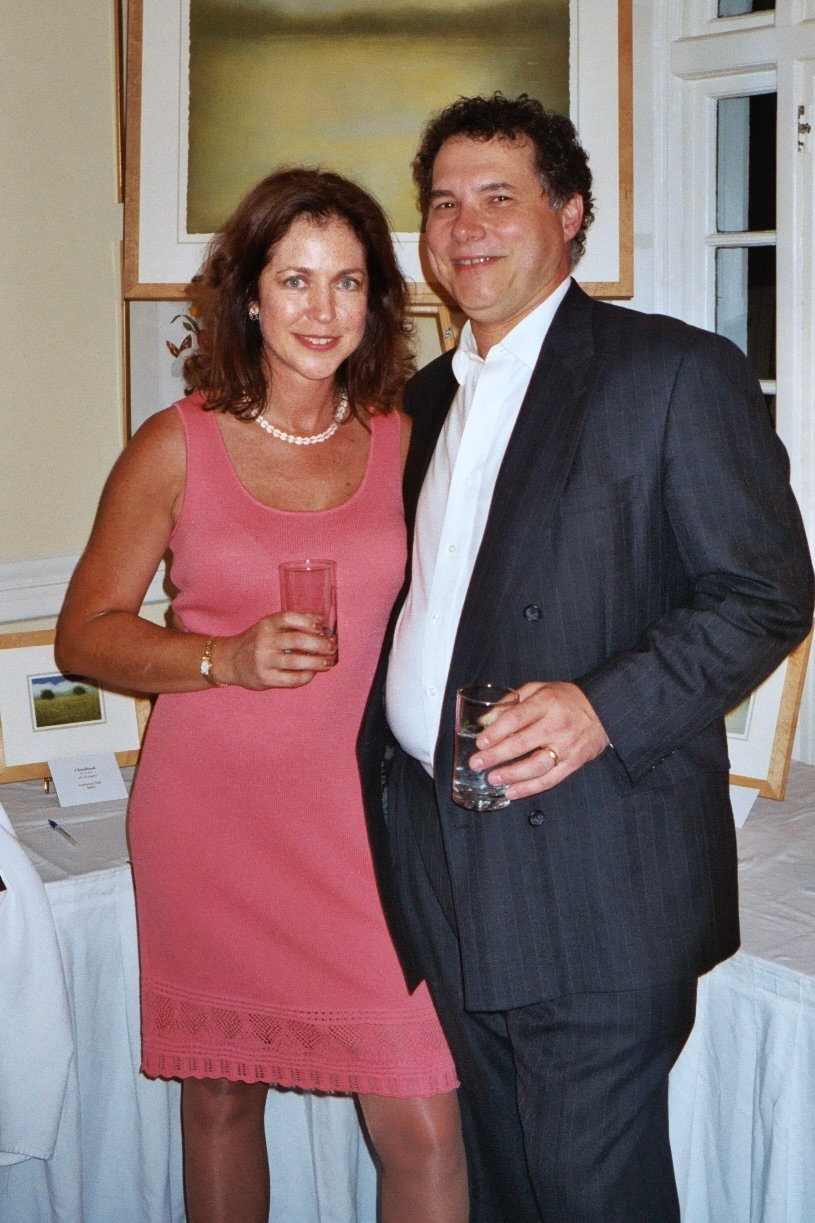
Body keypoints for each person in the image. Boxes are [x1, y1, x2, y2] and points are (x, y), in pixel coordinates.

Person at [357, 94, 815, 1222]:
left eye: (498, 197)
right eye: (444, 203)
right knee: (505, 1187)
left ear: (569, 215)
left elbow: (767, 590)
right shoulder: (428, 396)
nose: (465, 226)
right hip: (441, 856)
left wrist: (603, 705)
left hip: (591, 877)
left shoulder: (671, 372)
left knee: (585, 1192)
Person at [55, 168, 468, 1223]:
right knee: (222, 1096)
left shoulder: (407, 440)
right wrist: (221, 659)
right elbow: (85, 630)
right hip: (213, 817)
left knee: (423, 1118)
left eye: (346, 282)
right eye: (294, 280)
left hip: (364, 827)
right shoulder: (176, 441)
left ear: (376, 300)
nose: (321, 310)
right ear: (247, 295)